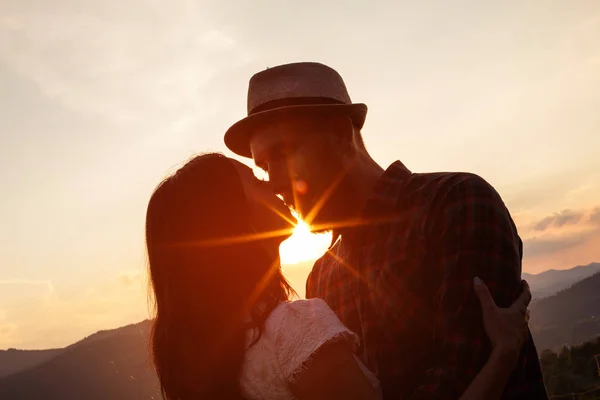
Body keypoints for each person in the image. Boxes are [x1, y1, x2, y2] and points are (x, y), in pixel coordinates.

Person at [223, 62, 549, 399]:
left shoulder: (455, 203)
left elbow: (459, 374)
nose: (274, 181)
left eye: (283, 153)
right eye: (262, 166)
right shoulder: (322, 277)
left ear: (338, 133)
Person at [146, 153, 533, 400]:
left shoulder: (228, 351)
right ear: (229, 218)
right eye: (255, 179)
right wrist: (504, 354)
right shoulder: (295, 327)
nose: (275, 185)